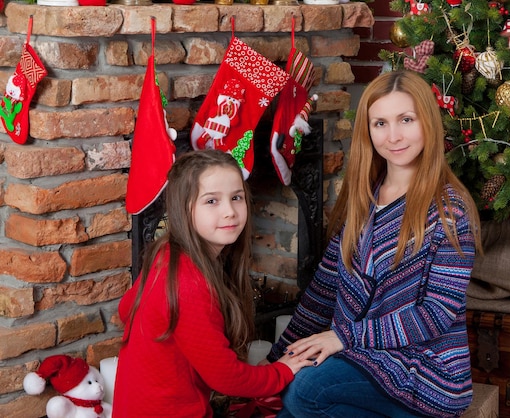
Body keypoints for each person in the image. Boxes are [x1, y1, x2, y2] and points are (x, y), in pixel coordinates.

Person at [266, 70, 483, 418]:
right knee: (288, 391)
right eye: (380, 123)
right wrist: (273, 362)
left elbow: (436, 314)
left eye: (406, 120)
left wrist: (342, 338)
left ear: (427, 122)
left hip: (425, 371)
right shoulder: (363, 200)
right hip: (363, 358)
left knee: (305, 391)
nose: (393, 136)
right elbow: (324, 291)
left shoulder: (449, 212)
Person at [113, 149, 312, 417]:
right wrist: (282, 371)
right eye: (211, 201)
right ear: (184, 209)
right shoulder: (189, 282)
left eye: (236, 197)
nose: (230, 211)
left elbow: (126, 310)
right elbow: (227, 378)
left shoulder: (165, 255)